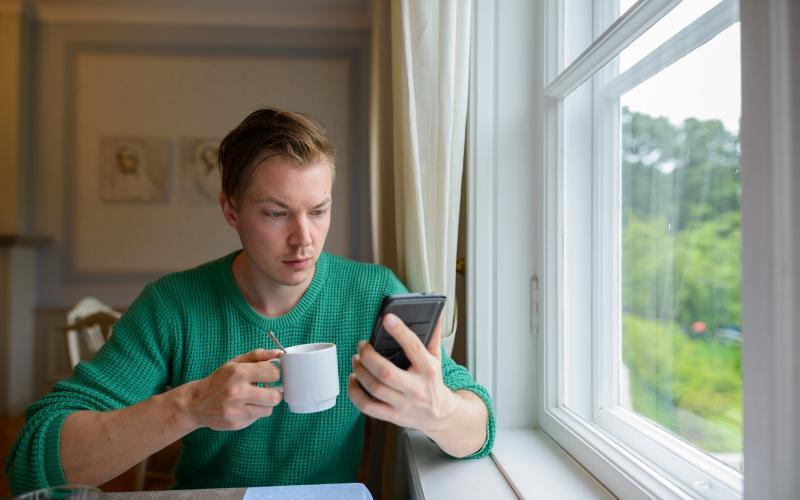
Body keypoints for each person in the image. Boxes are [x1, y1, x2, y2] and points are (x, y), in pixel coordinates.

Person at [5, 107, 495, 494]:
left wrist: (438, 412)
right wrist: (191, 407)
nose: (304, 240)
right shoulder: (172, 306)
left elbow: (480, 425)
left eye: (319, 210)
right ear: (231, 210)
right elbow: (33, 463)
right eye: (277, 213)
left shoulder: (369, 293)